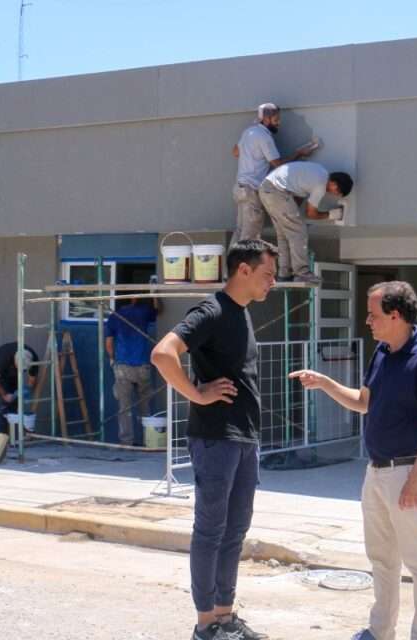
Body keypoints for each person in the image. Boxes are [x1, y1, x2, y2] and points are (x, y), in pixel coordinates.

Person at [289, 281, 417, 640]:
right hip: (376, 472)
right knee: (382, 560)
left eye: (374, 314)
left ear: (396, 315)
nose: (367, 321)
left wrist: (414, 479)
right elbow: (364, 403)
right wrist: (325, 383)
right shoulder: (381, 352)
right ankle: (380, 632)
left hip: (408, 472)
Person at [150, 239, 278, 640]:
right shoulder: (212, 311)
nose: (272, 282)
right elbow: (163, 353)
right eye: (267, 274)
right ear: (243, 270)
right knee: (211, 530)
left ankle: (224, 616)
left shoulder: (240, 314)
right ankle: (206, 623)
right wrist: (196, 393)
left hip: (244, 439)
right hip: (216, 439)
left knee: (235, 530)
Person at [232, 103, 316, 246]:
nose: (279, 123)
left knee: (241, 232)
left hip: (240, 189)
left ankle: (230, 267)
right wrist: (299, 153)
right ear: (266, 119)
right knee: (249, 238)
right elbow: (277, 164)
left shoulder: (249, 132)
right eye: (276, 119)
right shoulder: (264, 137)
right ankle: (239, 267)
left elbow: (235, 152)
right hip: (251, 190)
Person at [258, 161, 353, 284]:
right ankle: (302, 273)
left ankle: (284, 274)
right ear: (334, 184)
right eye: (338, 193)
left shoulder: (320, 171)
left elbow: (296, 195)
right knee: (299, 232)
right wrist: (331, 215)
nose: (335, 195)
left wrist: (293, 216)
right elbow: (311, 213)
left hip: (267, 189)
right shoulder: (320, 185)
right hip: (276, 191)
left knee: (284, 234)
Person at [104, 294, 158, 445]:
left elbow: (109, 342)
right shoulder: (144, 311)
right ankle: (148, 440)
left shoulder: (115, 316)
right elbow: (158, 310)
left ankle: (126, 442)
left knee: (124, 408)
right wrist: (155, 293)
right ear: (135, 298)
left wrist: (113, 358)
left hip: (122, 367)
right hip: (142, 365)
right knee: (145, 406)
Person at [0, 341, 39, 435]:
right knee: (2, 405)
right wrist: (4, 395)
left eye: (24, 370)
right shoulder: (3, 359)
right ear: (15, 361)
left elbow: (32, 380)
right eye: (19, 368)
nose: (22, 371)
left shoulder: (33, 358)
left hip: (14, 373)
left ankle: (15, 436)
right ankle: (3, 436)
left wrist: (25, 391)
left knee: (15, 400)